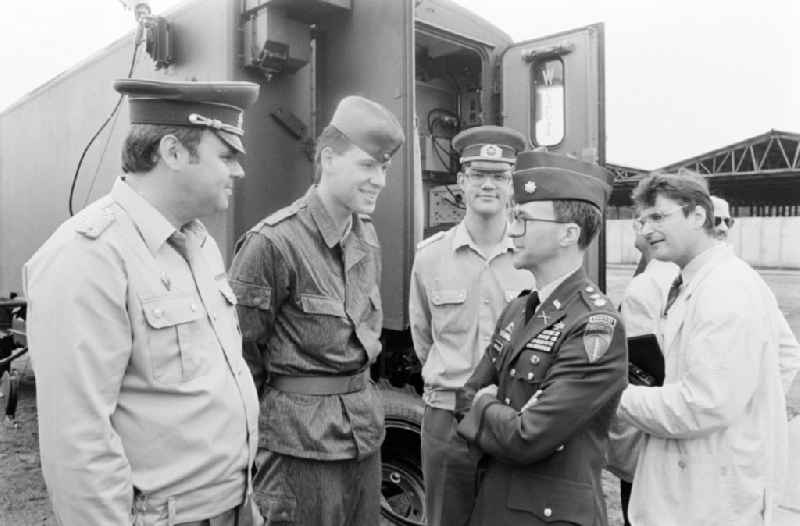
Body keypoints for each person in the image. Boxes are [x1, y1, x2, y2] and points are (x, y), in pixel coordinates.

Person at [24, 79, 261, 526]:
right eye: (226, 156)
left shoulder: (198, 244)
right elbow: (79, 445)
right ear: (172, 152)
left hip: (234, 506)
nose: (239, 171)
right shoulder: (89, 254)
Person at [228, 95, 404, 526]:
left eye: (384, 168)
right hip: (297, 448)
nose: (379, 180)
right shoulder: (273, 243)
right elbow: (239, 362)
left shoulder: (366, 238)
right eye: (367, 165)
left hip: (362, 436)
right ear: (329, 159)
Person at [454, 151, 627, 526]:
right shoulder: (519, 310)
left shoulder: (596, 325)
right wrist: (498, 410)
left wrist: (487, 407)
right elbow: (465, 396)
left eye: (524, 219)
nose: (512, 229)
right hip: (496, 503)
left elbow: (527, 437)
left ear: (569, 234)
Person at [617, 172, 794, 525]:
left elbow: (704, 403)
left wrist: (614, 395)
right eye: (642, 220)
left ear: (698, 216)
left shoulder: (725, 288)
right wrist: (750, 412)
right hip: (701, 476)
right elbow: (786, 358)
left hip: (709, 494)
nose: (647, 229)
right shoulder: (700, 279)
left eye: (659, 217)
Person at [408, 125, 534, 526]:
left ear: (512, 185)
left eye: (499, 176)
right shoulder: (430, 258)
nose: (488, 185)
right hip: (447, 420)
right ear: (461, 182)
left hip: (514, 419)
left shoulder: (532, 260)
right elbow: (423, 339)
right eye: (479, 174)